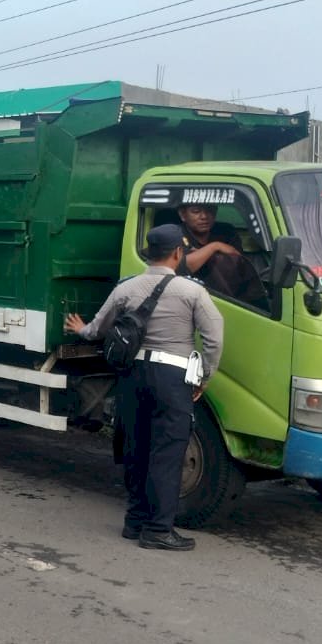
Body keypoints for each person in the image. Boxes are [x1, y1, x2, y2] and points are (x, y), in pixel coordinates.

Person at [64, 224, 223, 552]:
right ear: (178, 253)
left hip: (133, 375)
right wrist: (205, 376)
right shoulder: (192, 292)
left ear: (149, 254)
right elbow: (213, 338)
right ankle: (158, 530)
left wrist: (81, 329)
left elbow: (98, 328)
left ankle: (134, 521)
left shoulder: (127, 288)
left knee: (136, 447)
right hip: (172, 378)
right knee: (166, 453)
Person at [175, 202, 263, 304]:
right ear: (183, 215)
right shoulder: (175, 233)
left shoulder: (226, 231)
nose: (204, 216)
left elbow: (238, 260)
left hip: (232, 297)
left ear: (215, 212)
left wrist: (201, 255)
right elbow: (183, 266)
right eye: (196, 211)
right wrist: (215, 246)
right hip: (192, 296)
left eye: (209, 210)